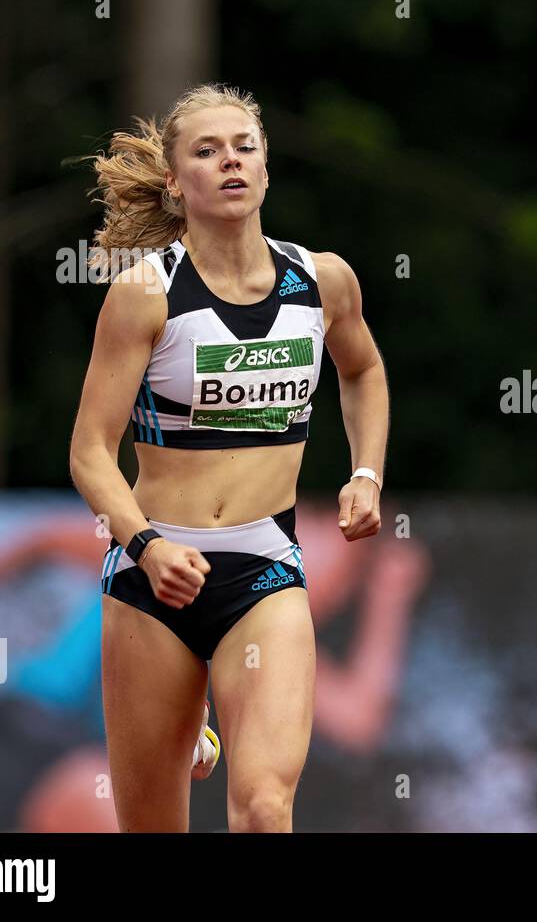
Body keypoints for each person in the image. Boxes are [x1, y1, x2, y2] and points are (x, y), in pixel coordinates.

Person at [69, 83, 389, 832]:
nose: (231, 161)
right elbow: (89, 451)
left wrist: (366, 471)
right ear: (177, 183)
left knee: (264, 807)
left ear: (268, 169)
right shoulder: (145, 296)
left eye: (245, 146)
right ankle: (194, 711)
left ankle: (213, 709)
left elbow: (364, 370)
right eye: (207, 152)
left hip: (265, 567)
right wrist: (144, 546)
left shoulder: (323, 280)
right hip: (155, 576)